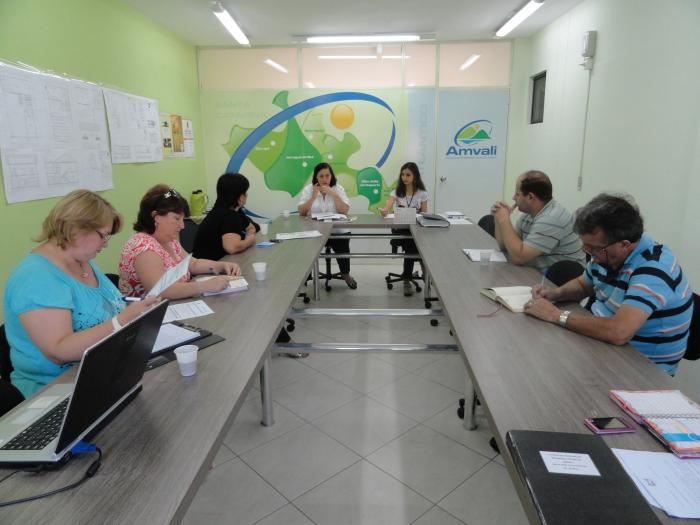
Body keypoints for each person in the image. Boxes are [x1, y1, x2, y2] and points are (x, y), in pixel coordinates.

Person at [3, 190, 158, 398]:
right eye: (103, 235)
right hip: (55, 392)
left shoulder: (82, 261)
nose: (106, 244)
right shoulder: (35, 278)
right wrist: (122, 320)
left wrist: (137, 310)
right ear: (75, 229)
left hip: (104, 372)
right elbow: (59, 351)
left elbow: (110, 305)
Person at [524, 194, 693, 375]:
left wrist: (555, 314)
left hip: (641, 371)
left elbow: (619, 332)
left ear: (624, 245)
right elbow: (584, 285)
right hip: (602, 348)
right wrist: (554, 294)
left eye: (593, 248)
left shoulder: (653, 270)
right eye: (585, 245)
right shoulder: (606, 255)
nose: (587, 252)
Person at [119, 185, 240, 300]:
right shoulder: (143, 247)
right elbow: (161, 290)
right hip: (147, 316)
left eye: (182, 219)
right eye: (177, 218)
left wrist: (221, 266)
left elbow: (192, 264)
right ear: (156, 217)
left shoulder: (168, 240)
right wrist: (205, 286)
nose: (182, 226)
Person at [491, 170, 585, 271]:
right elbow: (506, 248)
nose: (513, 198)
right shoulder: (529, 215)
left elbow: (519, 257)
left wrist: (504, 220)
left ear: (530, 197)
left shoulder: (551, 219)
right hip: (536, 274)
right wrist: (498, 218)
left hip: (559, 281)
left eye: (517, 194)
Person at [298, 162, 357, 289]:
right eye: (321, 176)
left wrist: (334, 194)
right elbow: (302, 212)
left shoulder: (338, 189)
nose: (325, 179)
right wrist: (313, 197)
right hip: (315, 231)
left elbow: (344, 211)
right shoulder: (309, 189)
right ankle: (305, 277)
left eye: (327, 176)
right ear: (316, 177)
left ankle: (345, 274)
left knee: (343, 243)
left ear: (331, 176)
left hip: (336, 231)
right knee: (305, 248)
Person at [379, 162, 429, 296]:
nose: (404, 177)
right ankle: (412, 277)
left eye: (408, 175)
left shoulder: (422, 193)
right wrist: (384, 211)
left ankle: (412, 276)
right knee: (412, 247)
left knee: (415, 246)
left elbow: (424, 214)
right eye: (402, 174)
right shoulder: (397, 191)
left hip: (416, 228)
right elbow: (387, 206)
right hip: (401, 229)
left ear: (415, 176)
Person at [192, 173, 260, 260]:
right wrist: (249, 241)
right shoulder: (226, 214)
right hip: (208, 269)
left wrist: (246, 240)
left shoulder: (235, 210)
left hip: (222, 262)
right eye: (245, 192)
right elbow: (232, 248)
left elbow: (251, 228)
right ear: (240, 196)